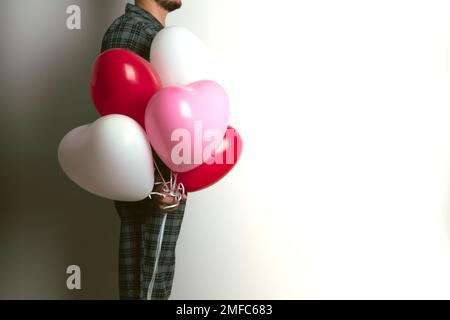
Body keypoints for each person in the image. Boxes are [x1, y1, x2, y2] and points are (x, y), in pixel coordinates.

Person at [101, 0, 185, 300]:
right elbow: (118, 122)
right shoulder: (130, 31)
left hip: (165, 190)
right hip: (151, 196)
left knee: (156, 289)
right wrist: (153, 188)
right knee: (145, 291)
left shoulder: (160, 37)